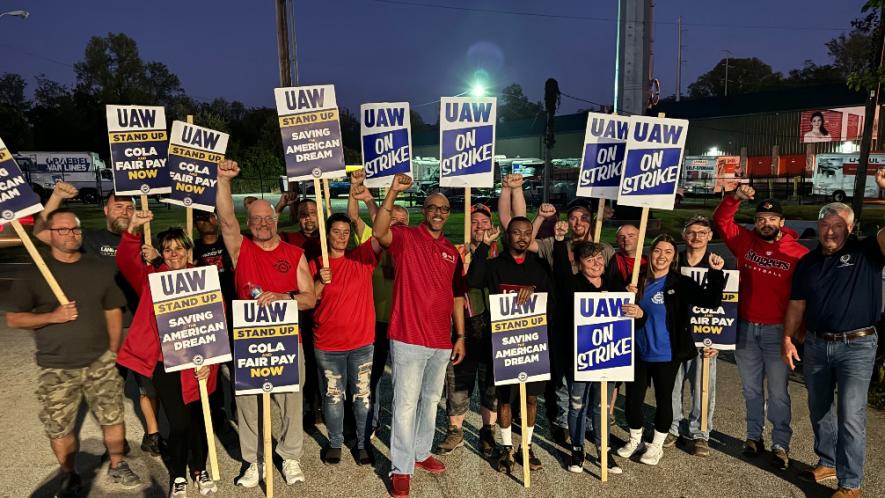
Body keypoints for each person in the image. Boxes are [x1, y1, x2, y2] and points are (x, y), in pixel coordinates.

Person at [7, 209, 142, 497]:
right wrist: (51, 317)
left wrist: (112, 351)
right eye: (64, 230)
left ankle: (117, 463)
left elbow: (113, 310)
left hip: (99, 362)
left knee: (113, 418)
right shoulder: (35, 273)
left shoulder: (97, 268)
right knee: (59, 427)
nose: (71, 235)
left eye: (75, 230)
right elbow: (14, 319)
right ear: (50, 235)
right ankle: (69, 474)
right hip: (56, 366)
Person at [33, 183, 162, 457]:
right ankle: (117, 442)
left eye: (130, 207)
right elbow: (42, 232)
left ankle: (153, 434)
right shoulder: (88, 240)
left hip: (142, 327)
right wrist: (56, 197)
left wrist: (158, 257)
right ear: (106, 209)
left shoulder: (147, 240)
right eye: (118, 206)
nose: (125, 212)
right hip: (105, 330)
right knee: (108, 390)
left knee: (147, 385)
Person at [215, 159, 317, 487]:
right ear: (250, 222)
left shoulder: (294, 253)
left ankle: (289, 457)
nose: (262, 223)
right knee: (247, 406)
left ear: (276, 219)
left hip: (287, 343)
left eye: (267, 218)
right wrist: (224, 180)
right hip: (249, 344)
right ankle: (254, 461)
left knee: (290, 402)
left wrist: (284, 297)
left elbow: (309, 298)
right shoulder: (240, 249)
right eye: (255, 219)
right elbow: (226, 218)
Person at [372, 174, 467, 498]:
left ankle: (420, 452)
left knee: (430, 403)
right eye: (432, 207)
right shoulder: (405, 237)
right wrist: (393, 192)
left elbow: (456, 297)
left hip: (441, 341)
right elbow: (379, 230)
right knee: (405, 404)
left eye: (443, 208)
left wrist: (460, 335)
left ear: (449, 213)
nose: (438, 212)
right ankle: (400, 467)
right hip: (409, 337)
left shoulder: (452, 252)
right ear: (424, 210)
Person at [783, 200, 885, 498]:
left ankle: (851, 483)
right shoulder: (808, 262)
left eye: (838, 226)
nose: (830, 232)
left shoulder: (867, 252)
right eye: (826, 225)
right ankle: (828, 461)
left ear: (850, 229)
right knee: (818, 409)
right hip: (816, 345)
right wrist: (788, 338)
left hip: (858, 345)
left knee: (850, 414)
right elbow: (797, 304)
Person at [115, 211, 218, 497]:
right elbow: (125, 261)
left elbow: (215, 326)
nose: (174, 253)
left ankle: (200, 468)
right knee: (179, 423)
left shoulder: (204, 280)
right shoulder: (151, 280)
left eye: (179, 248)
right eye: (168, 249)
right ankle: (178, 475)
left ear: (189, 251)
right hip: (166, 363)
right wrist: (133, 230)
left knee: (200, 420)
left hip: (199, 364)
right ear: (161, 253)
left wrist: (210, 363)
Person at [713, 186, 809, 470]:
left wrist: (797, 332)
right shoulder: (744, 242)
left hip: (778, 332)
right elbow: (721, 222)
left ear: (782, 223)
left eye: (771, 219)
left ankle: (781, 444)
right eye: (760, 219)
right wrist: (734, 199)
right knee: (752, 390)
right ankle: (753, 437)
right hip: (745, 328)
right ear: (755, 222)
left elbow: (804, 297)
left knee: (778, 392)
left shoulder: (799, 253)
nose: (765, 224)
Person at [616, 234, 725, 467]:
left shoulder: (680, 283)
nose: (662, 256)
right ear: (650, 253)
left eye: (668, 252)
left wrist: (715, 273)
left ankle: (656, 445)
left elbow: (711, 301)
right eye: (657, 251)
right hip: (638, 350)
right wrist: (625, 292)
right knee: (633, 399)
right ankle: (635, 438)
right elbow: (623, 312)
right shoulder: (638, 280)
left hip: (666, 353)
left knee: (664, 400)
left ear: (674, 257)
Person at [466, 217, 554, 473]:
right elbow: (473, 280)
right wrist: (483, 246)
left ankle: (526, 446)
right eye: (516, 233)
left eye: (527, 233)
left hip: (532, 344)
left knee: (531, 399)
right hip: (504, 344)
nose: (522, 237)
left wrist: (533, 289)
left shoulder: (539, 266)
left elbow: (551, 297)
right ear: (507, 235)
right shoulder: (494, 265)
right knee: (504, 399)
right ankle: (506, 448)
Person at [527, 198, 615, 447]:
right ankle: (563, 423)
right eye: (574, 217)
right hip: (562, 321)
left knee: (592, 375)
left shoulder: (604, 250)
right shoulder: (556, 244)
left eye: (584, 217)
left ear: (592, 220)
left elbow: (612, 283)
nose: (578, 222)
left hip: (594, 324)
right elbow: (527, 242)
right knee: (565, 378)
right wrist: (542, 218)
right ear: (567, 220)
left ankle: (588, 425)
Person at [549, 222, 624, 475]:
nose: (596, 263)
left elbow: (630, 319)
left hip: (609, 357)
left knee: (601, 407)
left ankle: (604, 451)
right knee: (577, 405)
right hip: (579, 358)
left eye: (598, 258)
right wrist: (559, 240)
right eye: (589, 260)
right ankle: (578, 449)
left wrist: (636, 307)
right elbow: (559, 269)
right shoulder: (571, 284)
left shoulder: (615, 285)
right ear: (580, 263)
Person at [311, 213, 382, 465]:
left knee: (362, 396)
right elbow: (309, 300)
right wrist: (320, 279)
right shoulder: (316, 262)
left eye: (345, 232)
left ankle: (363, 444)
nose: (341, 237)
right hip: (328, 345)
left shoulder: (362, 257)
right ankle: (335, 443)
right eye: (335, 231)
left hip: (362, 343)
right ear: (326, 234)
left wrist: (369, 199)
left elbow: (380, 235)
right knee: (333, 396)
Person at [346, 170, 409, 439]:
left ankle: (402, 427)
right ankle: (369, 422)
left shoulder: (411, 246)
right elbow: (353, 218)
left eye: (402, 221)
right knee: (371, 378)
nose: (397, 224)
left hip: (403, 323)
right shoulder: (372, 238)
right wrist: (356, 190)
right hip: (375, 320)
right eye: (393, 218)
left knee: (404, 381)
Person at [436, 202, 500, 458]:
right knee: (459, 382)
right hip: (464, 327)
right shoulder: (456, 253)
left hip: (495, 327)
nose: (480, 227)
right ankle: (455, 431)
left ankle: (487, 431)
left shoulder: (500, 252)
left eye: (485, 222)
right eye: (474, 222)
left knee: (491, 385)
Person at [667, 216, 724, 456]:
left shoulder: (718, 263)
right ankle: (671, 427)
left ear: (710, 236)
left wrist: (722, 339)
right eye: (692, 232)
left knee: (703, 386)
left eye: (702, 233)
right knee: (671, 384)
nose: (697, 237)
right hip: (674, 334)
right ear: (683, 235)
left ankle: (700, 432)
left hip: (705, 337)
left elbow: (727, 304)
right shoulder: (672, 261)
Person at [280, 198, 324, 426]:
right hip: (301, 308)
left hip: (327, 309)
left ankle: (326, 403)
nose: (309, 218)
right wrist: (279, 206)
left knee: (324, 361)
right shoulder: (290, 239)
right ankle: (310, 404)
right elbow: (265, 235)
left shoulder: (327, 239)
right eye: (304, 214)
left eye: (313, 213)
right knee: (303, 359)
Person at [193, 210, 237, 430]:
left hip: (232, 311)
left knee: (237, 365)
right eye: (201, 218)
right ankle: (217, 409)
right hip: (208, 316)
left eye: (211, 217)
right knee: (213, 367)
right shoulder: (193, 250)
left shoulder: (229, 244)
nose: (208, 221)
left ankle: (239, 407)